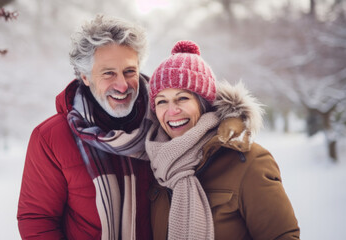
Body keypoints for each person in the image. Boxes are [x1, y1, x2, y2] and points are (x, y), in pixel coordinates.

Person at [17, 15, 154, 239]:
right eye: (108, 73)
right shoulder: (51, 137)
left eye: (129, 71)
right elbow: (38, 220)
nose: (122, 85)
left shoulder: (164, 123)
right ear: (85, 77)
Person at [145, 40, 300, 240]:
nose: (172, 111)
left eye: (182, 98)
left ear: (203, 103)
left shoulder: (249, 161)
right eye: (161, 102)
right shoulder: (156, 165)